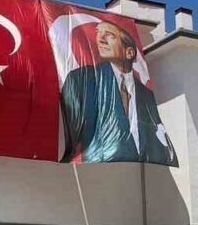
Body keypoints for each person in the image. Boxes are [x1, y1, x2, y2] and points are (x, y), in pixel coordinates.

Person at [60, 22, 176, 165]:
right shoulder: (80, 80)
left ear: (129, 53)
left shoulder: (146, 95)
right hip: (94, 168)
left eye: (109, 35)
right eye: (98, 33)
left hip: (141, 171)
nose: (100, 39)